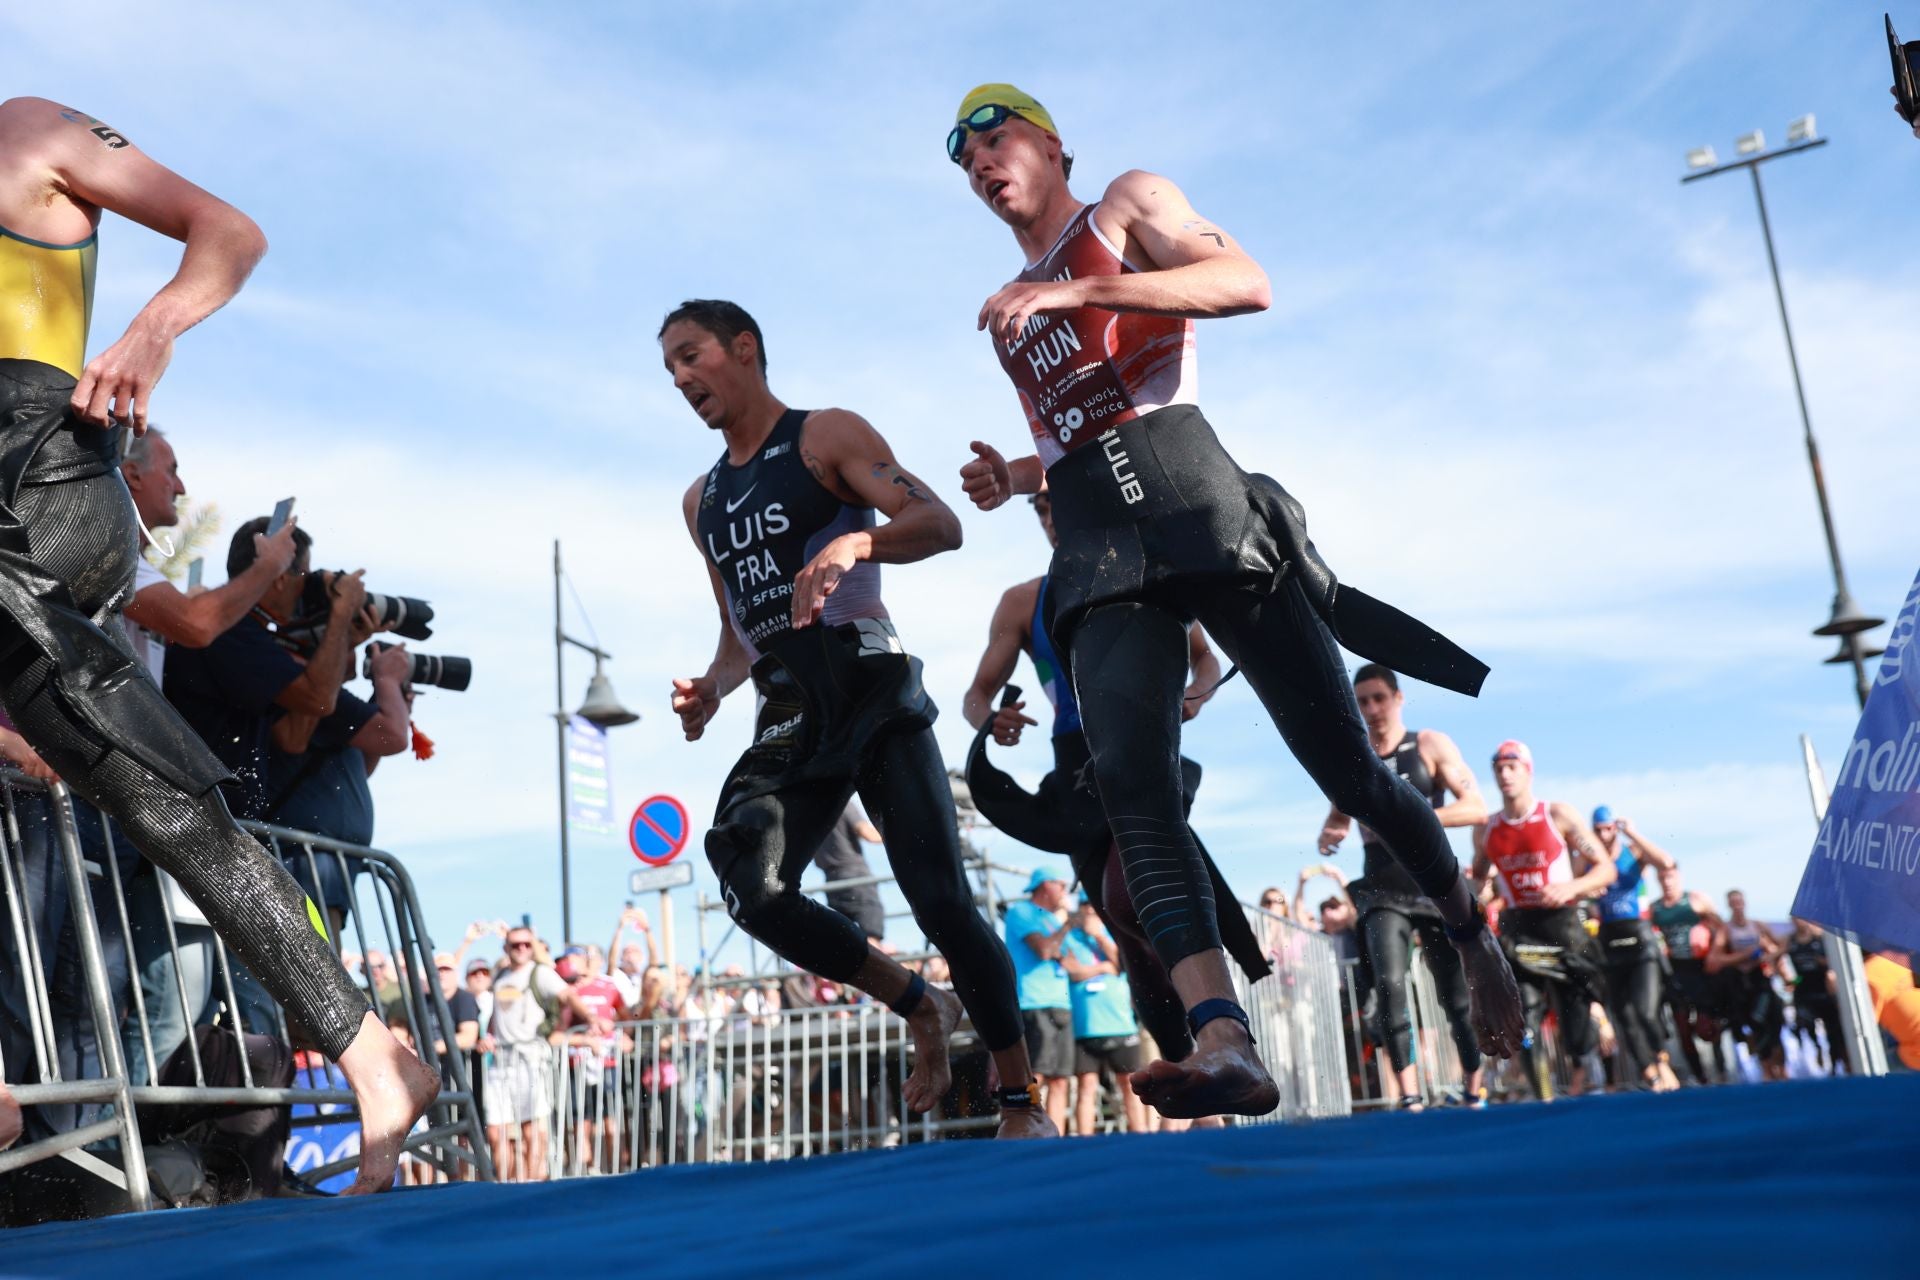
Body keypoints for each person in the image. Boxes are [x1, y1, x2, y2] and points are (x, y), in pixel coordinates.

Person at [948, 83, 1524, 1117]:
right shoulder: (1005, 312)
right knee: (1130, 786)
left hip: (1197, 501)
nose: (982, 164)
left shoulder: (1121, 205)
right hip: (1099, 541)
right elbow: (1075, 433)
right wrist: (1017, 481)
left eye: (996, 139)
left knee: (1346, 763)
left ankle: (1470, 929)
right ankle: (1226, 1037)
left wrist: (1085, 295)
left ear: (1049, 142)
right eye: (966, 161)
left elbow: (1246, 281)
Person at [0, 96, 429, 1191]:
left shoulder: (32, 131)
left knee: (146, 789)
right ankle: (372, 1053)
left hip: (39, 479)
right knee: (159, 794)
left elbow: (229, 230)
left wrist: (153, 324)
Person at [663, 299, 1050, 1138]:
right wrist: (711, 689)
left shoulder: (824, 435)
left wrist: (855, 546)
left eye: (692, 356)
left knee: (940, 899)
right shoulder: (703, 501)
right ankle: (919, 1003)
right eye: (670, 370)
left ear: (744, 348)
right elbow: (739, 631)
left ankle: (1019, 1097)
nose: (683, 378)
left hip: (868, 681)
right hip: (789, 705)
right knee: (750, 882)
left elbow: (938, 522)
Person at [960, 485, 1270, 1085]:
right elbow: (977, 694)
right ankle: (1190, 1070)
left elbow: (1203, 657)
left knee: (1132, 900)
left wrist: (1195, 694)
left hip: (1142, 745)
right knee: (1130, 941)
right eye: (1043, 508)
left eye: (1059, 501)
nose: (1053, 515)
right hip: (1076, 773)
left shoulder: (1145, 569)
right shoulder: (1023, 601)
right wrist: (990, 720)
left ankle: (1217, 1036)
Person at [115, 427, 303, 1082]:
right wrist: (268, 569)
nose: (183, 485)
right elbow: (197, 623)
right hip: (98, 799)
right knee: (150, 1009)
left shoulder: (139, 566)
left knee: (169, 1007)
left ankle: (144, 1156)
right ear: (130, 476)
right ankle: (104, 1161)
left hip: (138, 810)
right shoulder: (100, 550)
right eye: (171, 469)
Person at [1318, 664, 1489, 1108]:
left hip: (1433, 882)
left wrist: (1415, 818)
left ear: (1398, 698)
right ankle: (1410, 1095)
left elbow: (1475, 807)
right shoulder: (1353, 757)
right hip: (1380, 887)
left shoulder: (1429, 744)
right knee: (1390, 985)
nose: (1372, 709)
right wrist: (1331, 834)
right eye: (1362, 702)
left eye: (1379, 698)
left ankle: (1473, 1088)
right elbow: (1337, 817)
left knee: (1455, 996)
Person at [1470, 740, 1616, 1099]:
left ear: (1528, 771)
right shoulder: (1486, 828)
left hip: (1562, 926)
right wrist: (1478, 897)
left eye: (1512, 767)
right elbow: (1480, 876)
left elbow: (1606, 869)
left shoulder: (1557, 814)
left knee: (1575, 1021)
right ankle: (1543, 1100)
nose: (1504, 775)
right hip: (1520, 929)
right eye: (1498, 768)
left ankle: (1589, 1084)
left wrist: (1572, 888)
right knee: (1524, 1018)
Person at [486, 925, 612, 1182]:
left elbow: (567, 994)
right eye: (515, 945)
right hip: (500, 1063)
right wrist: (487, 1037)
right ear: (506, 948)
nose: (521, 949)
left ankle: (531, 1188)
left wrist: (590, 1017)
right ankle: (503, 1189)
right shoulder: (500, 977)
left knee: (532, 1130)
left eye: (526, 944)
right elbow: (496, 1017)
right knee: (496, 1133)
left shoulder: (540, 973)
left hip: (529, 1060)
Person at [1590, 808, 1680, 1091]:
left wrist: (1632, 832)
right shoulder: (1591, 859)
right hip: (1609, 940)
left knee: (1645, 1011)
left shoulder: (1633, 852)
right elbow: (1571, 882)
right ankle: (1650, 1075)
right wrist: (1586, 889)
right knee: (1624, 1016)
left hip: (1639, 939)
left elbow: (1666, 862)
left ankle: (1661, 1059)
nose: (1604, 836)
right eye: (1598, 830)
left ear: (1615, 829)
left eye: (1608, 829)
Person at [1059, 904, 1149, 1134]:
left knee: (1131, 1085)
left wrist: (1098, 935)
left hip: (1120, 1024)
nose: (1089, 914)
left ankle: (1140, 1136)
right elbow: (1073, 972)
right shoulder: (1069, 938)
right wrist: (1104, 968)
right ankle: (1086, 1142)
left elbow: (1122, 964)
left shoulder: (1113, 934)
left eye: (1093, 909)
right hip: (1086, 1027)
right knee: (1086, 1086)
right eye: (1085, 909)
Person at [1003, 868, 1075, 1131]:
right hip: (1034, 1003)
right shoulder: (1021, 912)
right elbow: (1045, 951)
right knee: (1036, 1076)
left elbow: (1069, 962)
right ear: (1046, 886)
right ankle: (1025, 1128)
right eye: (1062, 885)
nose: (1066, 892)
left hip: (1060, 1003)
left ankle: (1053, 1135)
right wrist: (1069, 924)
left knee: (1060, 1078)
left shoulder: (1053, 922)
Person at [1649, 865, 1728, 1085]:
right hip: (1674, 971)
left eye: (1671, 877)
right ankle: (1699, 1076)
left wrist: (1714, 952)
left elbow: (1721, 928)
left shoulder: (1695, 899)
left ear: (1678, 877)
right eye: (1663, 878)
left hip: (1700, 969)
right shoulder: (1655, 908)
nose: (1667, 882)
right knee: (1681, 1025)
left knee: (1707, 1025)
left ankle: (1721, 1069)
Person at [1708, 889, 1786, 1081]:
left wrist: (1769, 956)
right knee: (1754, 1021)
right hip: (1741, 982)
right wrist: (1744, 956)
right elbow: (1715, 959)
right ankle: (1766, 1068)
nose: (1737, 906)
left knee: (1774, 1019)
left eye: (1740, 902)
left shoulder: (1757, 925)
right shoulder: (1726, 930)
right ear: (1729, 905)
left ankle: (1780, 1068)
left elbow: (1783, 943)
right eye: (1733, 902)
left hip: (1761, 979)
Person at [812, 800, 887, 942]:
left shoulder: (811, 814)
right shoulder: (842, 803)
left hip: (831, 882)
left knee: (844, 939)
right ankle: (874, 965)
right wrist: (898, 833)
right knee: (871, 933)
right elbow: (868, 834)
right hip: (856, 877)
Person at [1784, 918, 1847, 1075]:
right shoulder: (1789, 940)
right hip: (1803, 990)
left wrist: (1824, 963)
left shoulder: (1820, 939)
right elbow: (1777, 955)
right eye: (1796, 920)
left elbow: (1835, 962)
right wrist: (1788, 978)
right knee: (1804, 1023)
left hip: (1822, 990)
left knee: (1832, 1030)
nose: (1800, 923)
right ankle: (1817, 1048)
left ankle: (1834, 1064)